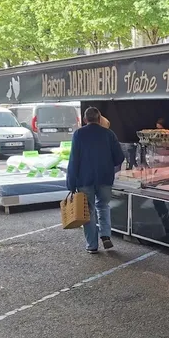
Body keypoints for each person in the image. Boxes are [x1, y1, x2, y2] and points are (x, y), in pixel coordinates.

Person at [67, 107, 125, 254]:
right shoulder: (109, 134)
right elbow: (119, 157)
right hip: (105, 177)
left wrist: (71, 183)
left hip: (85, 179)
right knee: (103, 206)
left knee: (89, 211)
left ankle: (92, 245)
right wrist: (107, 162)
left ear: (85, 120)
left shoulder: (79, 134)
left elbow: (74, 160)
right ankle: (105, 235)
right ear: (99, 119)